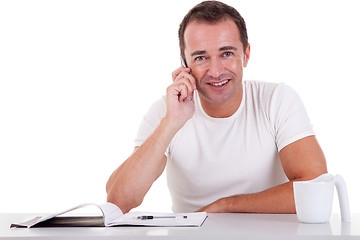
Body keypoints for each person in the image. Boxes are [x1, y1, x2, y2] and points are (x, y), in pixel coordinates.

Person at [106, 1, 327, 214]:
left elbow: (316, 188)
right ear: (185, 65)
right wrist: (172, 123)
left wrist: (225, 207)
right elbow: (119, 200)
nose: (215, 71)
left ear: (246, 55)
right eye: (201, 57)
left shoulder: (277, 100)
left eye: (227, 53)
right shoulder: (166, 112)